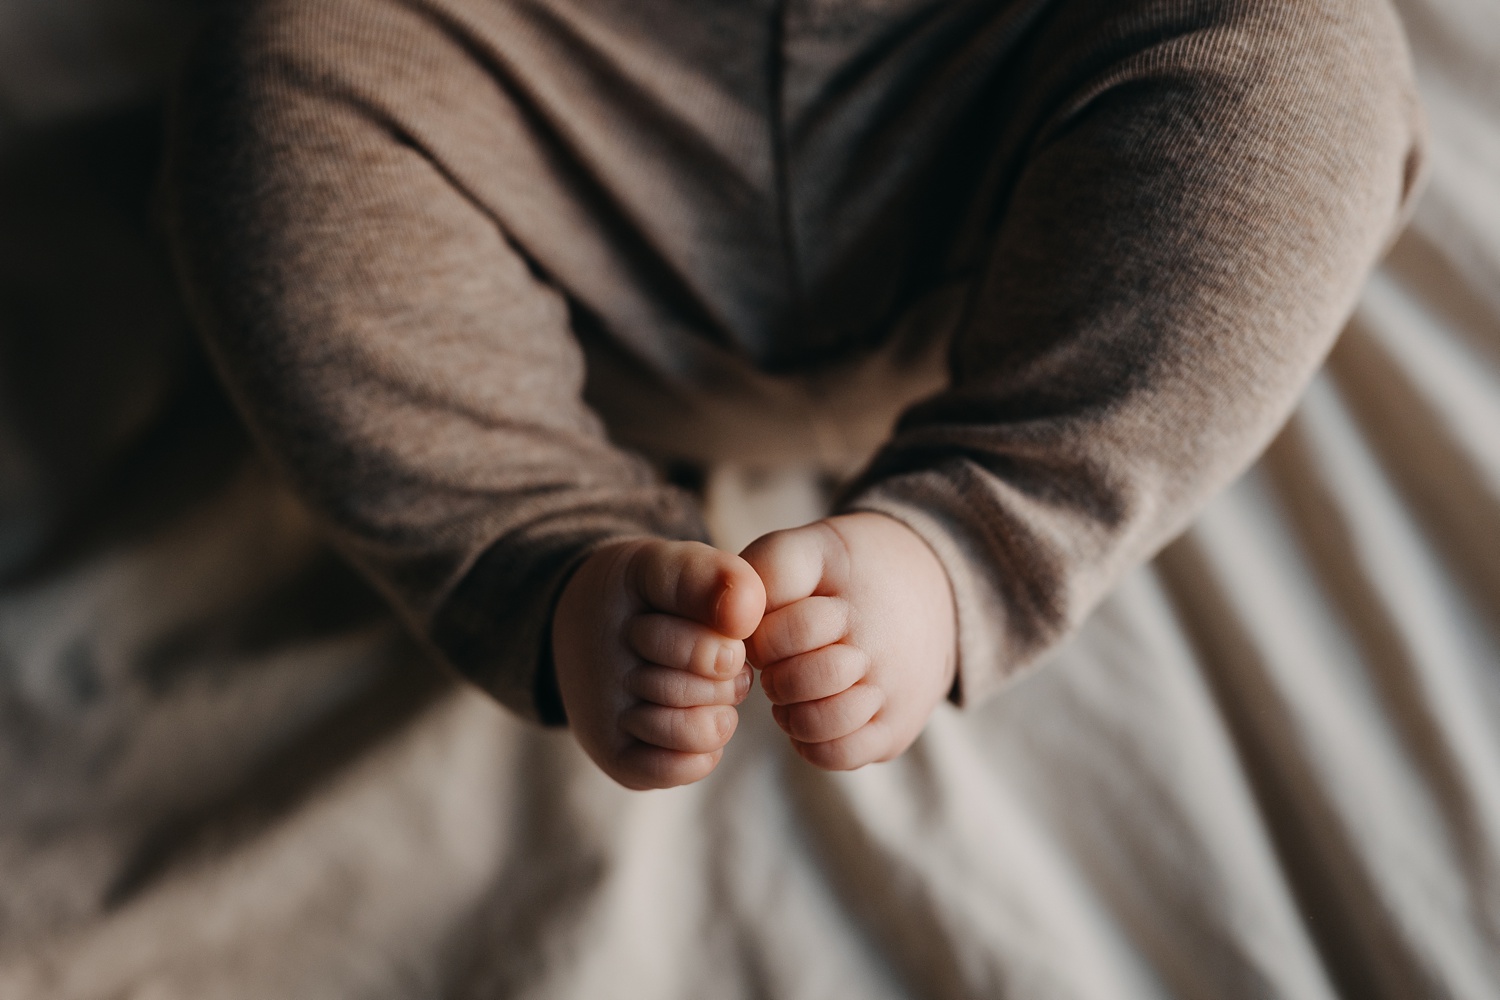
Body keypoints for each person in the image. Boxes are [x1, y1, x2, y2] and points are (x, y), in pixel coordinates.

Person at [166, 0, 1424, 790]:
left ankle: (977, 539)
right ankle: (536, 545)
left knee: (1304, 44)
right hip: (561, 110)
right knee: (279, 73)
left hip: (998, 120)